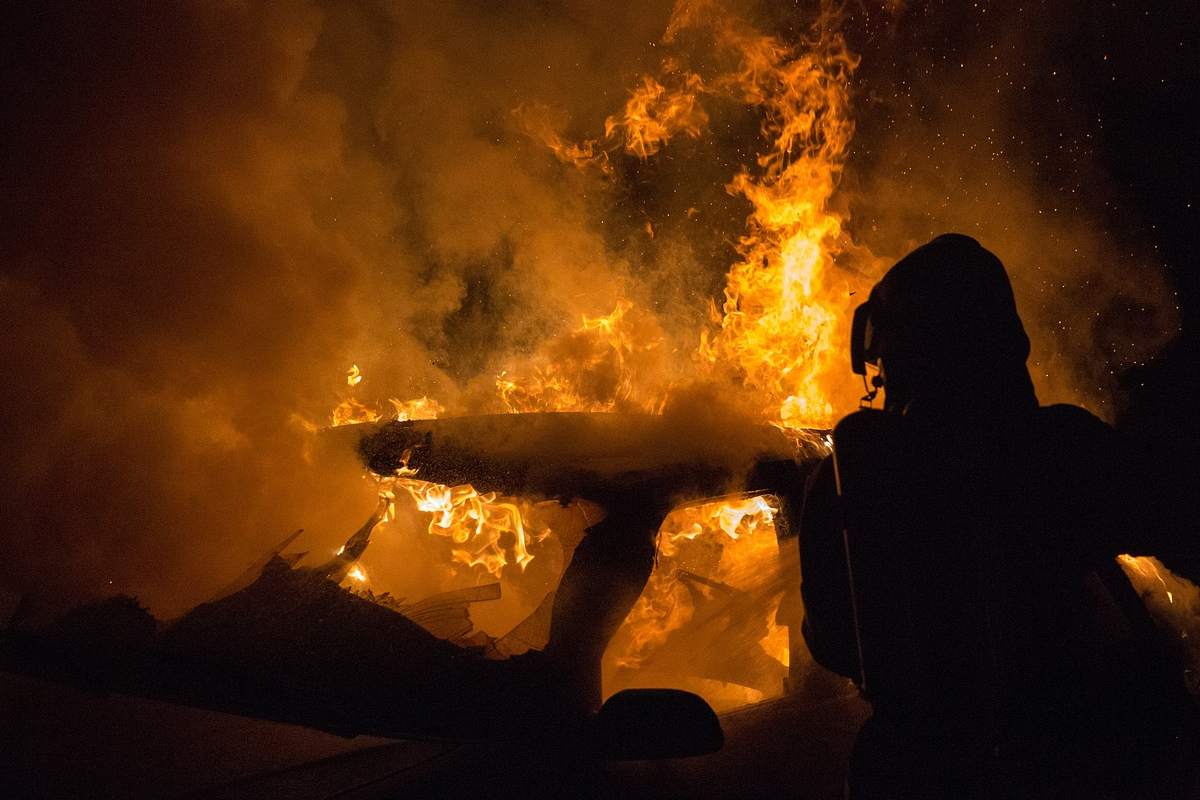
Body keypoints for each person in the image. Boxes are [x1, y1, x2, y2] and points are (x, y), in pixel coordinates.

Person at [799, 234, 1198, 798]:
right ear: (1005, 337)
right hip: (1067, 760)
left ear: (897, 356)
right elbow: (1178, 522)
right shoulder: (1060, 448)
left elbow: (832, 641)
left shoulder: (851, 476)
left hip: (920, 772)